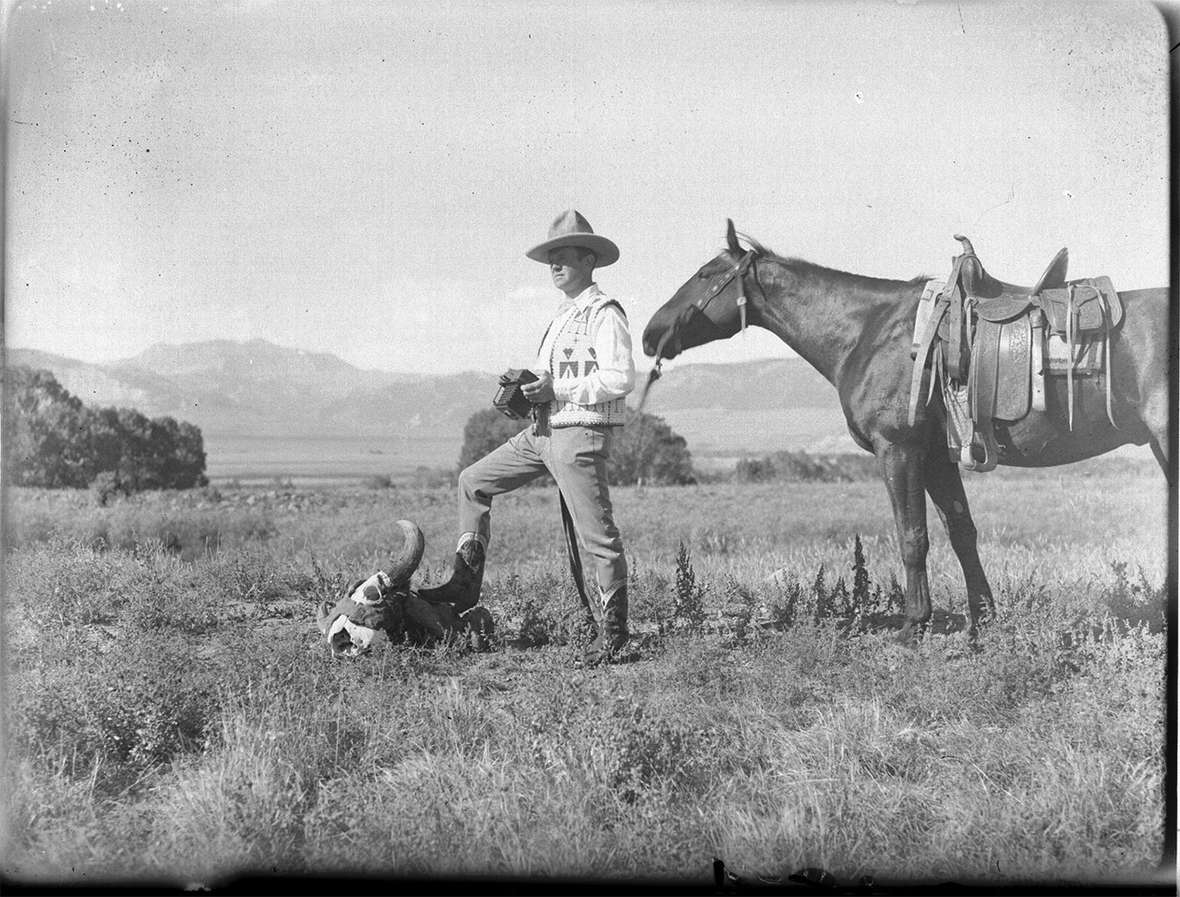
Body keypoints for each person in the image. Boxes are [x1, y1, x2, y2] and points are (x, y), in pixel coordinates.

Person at [419, 209, 636, 664]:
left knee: (597, 536)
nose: (554, 265)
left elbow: (620, 379)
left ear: (589, 260)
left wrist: (559, 389)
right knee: (473, 481)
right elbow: (550, 376)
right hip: (541, 432)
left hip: (580, 433)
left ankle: (614, 634)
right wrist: (527, 386)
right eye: (551, 258)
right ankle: (464, 585)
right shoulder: (562, 316)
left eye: (564, 256)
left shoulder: (605, 313)